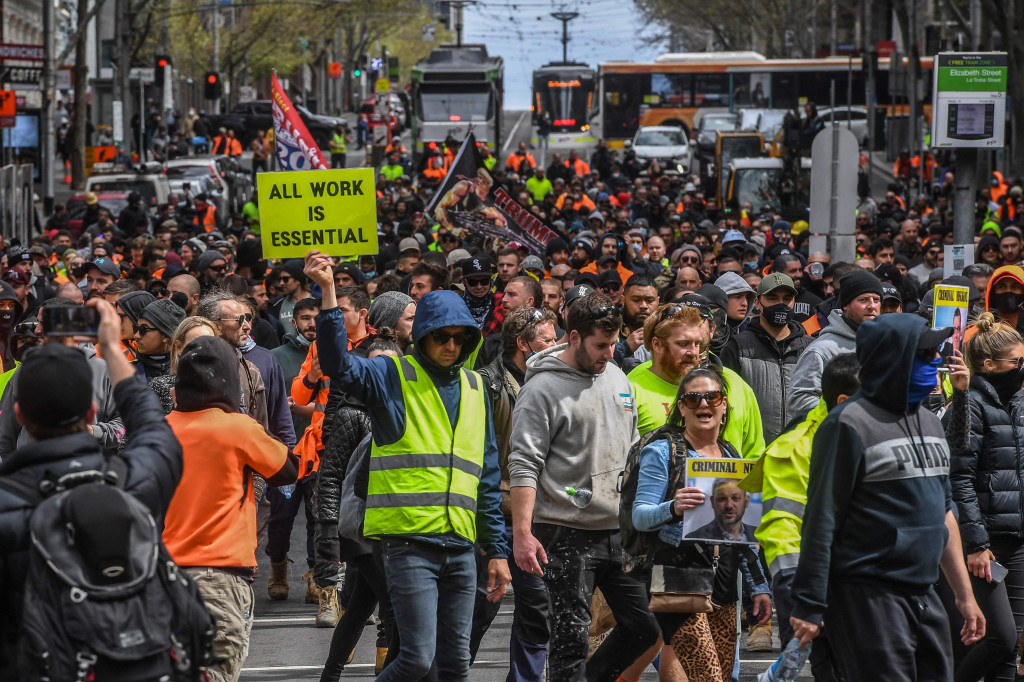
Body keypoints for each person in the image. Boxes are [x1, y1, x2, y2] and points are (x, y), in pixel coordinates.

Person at [306, 249, 510, 682]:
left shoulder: (476, 388)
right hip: (408, 544)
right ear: (423, 336)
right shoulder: (394, 376)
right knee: (416, 658)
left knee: (455, 665)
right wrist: (327, 293)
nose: (451, 346)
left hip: (460, 545)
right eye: (442, 337)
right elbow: (339, 367)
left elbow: (488, 480)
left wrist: (497, 551)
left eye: (460, 338)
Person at [789, 314, 985, 680]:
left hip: (925, 593)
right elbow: (821, 518)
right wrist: (810, 602)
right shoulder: (847, 423)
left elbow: (943, 516)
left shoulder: (928, 422)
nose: (935, 364)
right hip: (867, 596)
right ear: (893, 360)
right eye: (924, 355)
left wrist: (964, 596)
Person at [0, 299, 183, 682]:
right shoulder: (133, 485)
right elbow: (152, 429)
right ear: (87, 410)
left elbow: (133, 429)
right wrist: (115, 347)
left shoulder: (8, 506)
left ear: (22, 414)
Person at [508, 293, 660, 681]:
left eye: (613, 344)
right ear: (573, 337)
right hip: (564, 533)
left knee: (646, 628)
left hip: (617, 529)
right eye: (600, 345)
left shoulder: (617, 376)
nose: (609, 353)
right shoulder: (540, 390)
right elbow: (524, 464)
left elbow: (630, 445)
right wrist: (522, 534)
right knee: (570, 642)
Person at [162, 335, 298, 682]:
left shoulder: (158, 432)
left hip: (163, 577)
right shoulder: (238, 429)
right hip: (221, 576)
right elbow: (287, 470)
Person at [632, 367, 771, 682]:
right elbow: (639, 515)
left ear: (724, 405)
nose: (704, 404)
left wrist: (759, 586)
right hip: (679, 579)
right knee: (708, 677)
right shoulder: (663, 451)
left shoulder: (732, 455)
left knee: (721, 676)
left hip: (724, 584)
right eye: (693, 398)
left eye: (713, 397)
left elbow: (743, 533)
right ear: (681, 407)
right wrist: (673, 507)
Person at [743, 353, 862, 665]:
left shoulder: (880, 432)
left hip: (870, 589)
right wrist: (802, 600)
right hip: (814, 591)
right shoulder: (795, 447)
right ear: (844, 400)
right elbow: (782, 527)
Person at [474, 306, 557, 678]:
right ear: (523, 344)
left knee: (537, 610)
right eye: (547, 340)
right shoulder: (485, 385)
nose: (556, 347)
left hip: (540, 516)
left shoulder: (556, 381)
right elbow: (479, 460)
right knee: (481, 608)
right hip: (495, 515)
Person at [317, 332, 403, 680]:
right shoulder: (352, 412)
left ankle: (330, 675)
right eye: (374, 364)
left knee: (359, 606)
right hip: (359, 526)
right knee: (395, 606)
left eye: (388, 364)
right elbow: (330, 474)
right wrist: (327, 529)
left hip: (389, 524)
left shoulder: (407, 408)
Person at [944, 313, 1024, 681]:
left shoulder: (1018, 403)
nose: (1022, 368)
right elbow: (958, 479)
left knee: (1010, 649)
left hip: (1016, 539)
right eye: (1018, 362)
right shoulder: (970, 404)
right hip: (983, 545)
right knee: (998, 639)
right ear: (990, 365)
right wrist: (976, 544)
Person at [629, 301, 766, 458]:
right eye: (683, 344)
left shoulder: (734, 385)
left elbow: (755, 455)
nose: (693, 352)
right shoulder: (632, 388)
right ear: (657, 344)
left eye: (697, 344)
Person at [0, 297, 125, 456]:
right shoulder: (25, 371)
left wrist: (94, 431)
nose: (37, 330)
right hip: (32, 474)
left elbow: (125, 424)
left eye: (44, 324)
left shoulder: (105, 371)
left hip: (83, 473)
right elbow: (5, 435)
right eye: (38, 323)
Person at [719, 272, 812, 443]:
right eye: (773, 298)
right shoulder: (738, 346)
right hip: (754, 452)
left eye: (787, 298)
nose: (781, 304)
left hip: (800, 452)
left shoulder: (811, 348)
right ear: (757, 303)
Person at [787, 270, 882, 417]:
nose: (872, 306)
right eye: (863, 300)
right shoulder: (821, 350)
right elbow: (798, 400)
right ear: (845, 305)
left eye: (876, 300)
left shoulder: (884, 346)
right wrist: (846, 416)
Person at [132, 298, 186, 380]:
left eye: (143, 330)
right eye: (136, 328)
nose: (136, 335)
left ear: (165, 336)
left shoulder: (186, 370)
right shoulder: (128, 371)